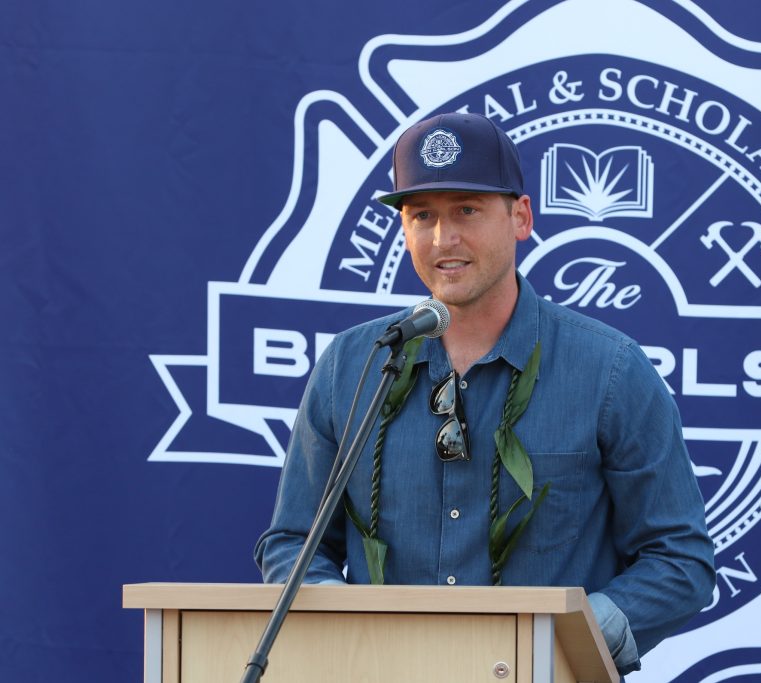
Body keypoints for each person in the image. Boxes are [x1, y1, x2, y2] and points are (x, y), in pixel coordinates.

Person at [255, 112, 715, 676]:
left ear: (521, 218)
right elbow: (293, 544)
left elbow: (680, 560)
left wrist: (565, 645)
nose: (443, 239)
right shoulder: (349, 367)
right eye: (422, 215)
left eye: (466, 211)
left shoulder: (612, 369)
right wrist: (351, 629)